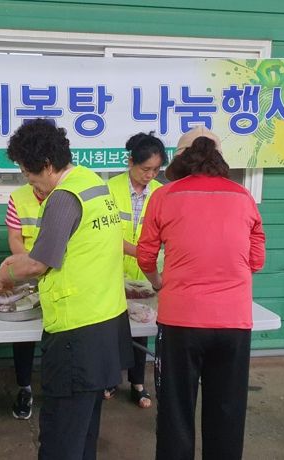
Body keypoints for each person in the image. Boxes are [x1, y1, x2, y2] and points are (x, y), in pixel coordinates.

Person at [0, 119, 133, 460]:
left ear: (47, 165)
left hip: (76, 334)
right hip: (108, 321)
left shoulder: (64, 197)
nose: (28, 181)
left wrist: (4, 273)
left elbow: (39, 263)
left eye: (28, 173)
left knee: (61, 436)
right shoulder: (93, 183)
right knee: (84, 429)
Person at [138, 126, 265, 460]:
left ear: (180, 159)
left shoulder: (164, 196)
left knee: (175, 411)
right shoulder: (243, 196)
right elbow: (256, 260)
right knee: (227, 411)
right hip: (234, 322)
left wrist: (159, 282)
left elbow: (145, 256)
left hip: (180, 321)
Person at [104, 132, 166, 408]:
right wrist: (139, 252)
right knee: (112, 326)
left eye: (156, 170)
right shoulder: (108, 188)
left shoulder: (161, 193)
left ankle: (138, 383)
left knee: (141, 326)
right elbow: (104, 233)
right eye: (145, 169)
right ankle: (110, 379)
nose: (150, 175)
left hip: (146, 272)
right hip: (112, 269)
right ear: (130, 162)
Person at [5, 182, 47, 419]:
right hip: (27, 275)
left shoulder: (65, 195)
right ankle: (24, 388)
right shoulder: (18, 197)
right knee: (24, 334)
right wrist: (29, 264)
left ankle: (53, 389)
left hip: (59, 274)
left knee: (56, 334)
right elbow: (14, 237)